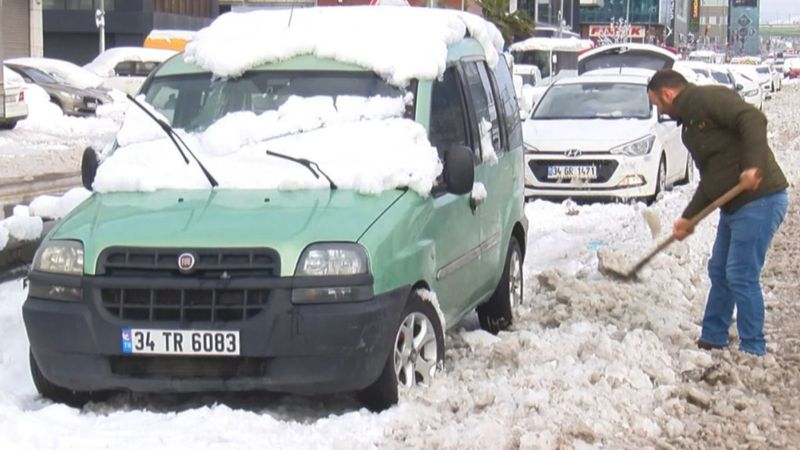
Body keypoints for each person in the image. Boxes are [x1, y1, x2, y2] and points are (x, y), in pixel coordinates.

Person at [647, 69, 788, 356]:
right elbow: (712, 179)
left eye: (657, 103)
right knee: (720, 270)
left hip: (760, 198)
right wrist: (689, 217)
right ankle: (713, 335)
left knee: (741, 273)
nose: (659, 110)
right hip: (735, 204)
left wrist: (753, 165)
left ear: (668, 94)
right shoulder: (689, 125)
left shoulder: (707, 98)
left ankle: (753, 347)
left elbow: (753, 118)